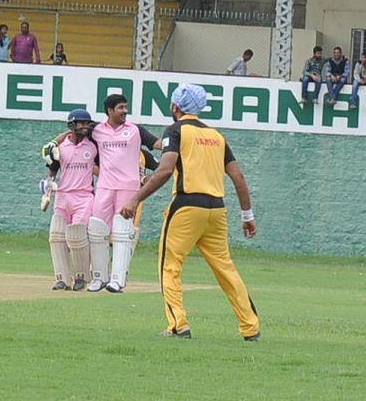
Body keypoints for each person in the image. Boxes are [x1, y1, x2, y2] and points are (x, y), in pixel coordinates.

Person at [121, 84, 259, 340]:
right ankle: (250, 327)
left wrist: (134, 200)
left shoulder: (176, 130)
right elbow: (237, 176)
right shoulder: (217, 136)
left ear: (175, 107)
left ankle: (178, 325)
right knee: (225, 268)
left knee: (170, 265)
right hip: (217, 210)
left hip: (186, 205)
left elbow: (164, 170)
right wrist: (247, 216)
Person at [87, 93, 161, 293]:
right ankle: (99, 277)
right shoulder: (97, 131)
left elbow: (159, 144)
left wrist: (179, 141)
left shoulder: (135, 130)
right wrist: (54, 143)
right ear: (110, 111)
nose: (124, 111)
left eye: (125, 107)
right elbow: (73, 131)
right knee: (96, 230)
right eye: (120, 107)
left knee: (122, 231)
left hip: (128, 187)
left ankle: (117, 279)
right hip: (104, 186)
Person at [42, 109, 98, 290]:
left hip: (84, 196)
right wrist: (47, 189)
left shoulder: (94, 145)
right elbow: (52, 169)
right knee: (56, 237)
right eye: (81, 123)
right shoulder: (60, 148)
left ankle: (82, 277)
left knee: (77, 236)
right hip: (62, 196)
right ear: (72, 125)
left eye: (87, 123)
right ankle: (62, 279)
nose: (85, 127)